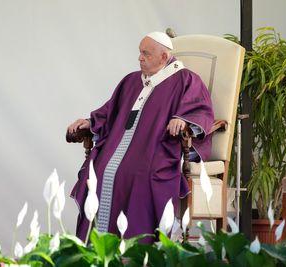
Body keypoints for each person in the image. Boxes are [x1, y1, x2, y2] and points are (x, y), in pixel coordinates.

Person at [68, 31, 214, 242]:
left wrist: (182, 119)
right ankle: (97, 247)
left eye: (146, 53)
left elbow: (201, 111)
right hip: (120, 146)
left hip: (159, 147)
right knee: (98, 170)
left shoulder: (186, 79)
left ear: (164, 57)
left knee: (139, 173)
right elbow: (110, 112)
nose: (140, 58)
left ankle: (139, 248)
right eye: (140, 52)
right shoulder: (131, 81)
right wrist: (91, 122)